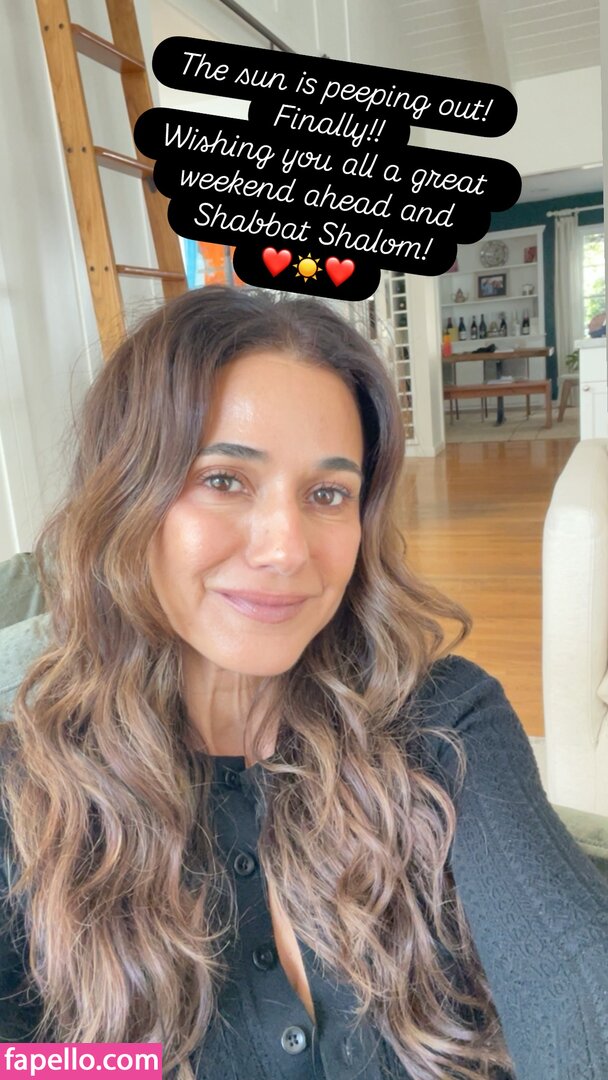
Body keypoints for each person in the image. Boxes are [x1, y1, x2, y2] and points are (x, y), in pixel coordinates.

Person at [0, 285, 607, 1080]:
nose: (286, 549)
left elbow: (573, 975)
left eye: (328, 494)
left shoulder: (446, 723)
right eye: (224, 479)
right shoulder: (27, 793)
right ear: (126, 496)